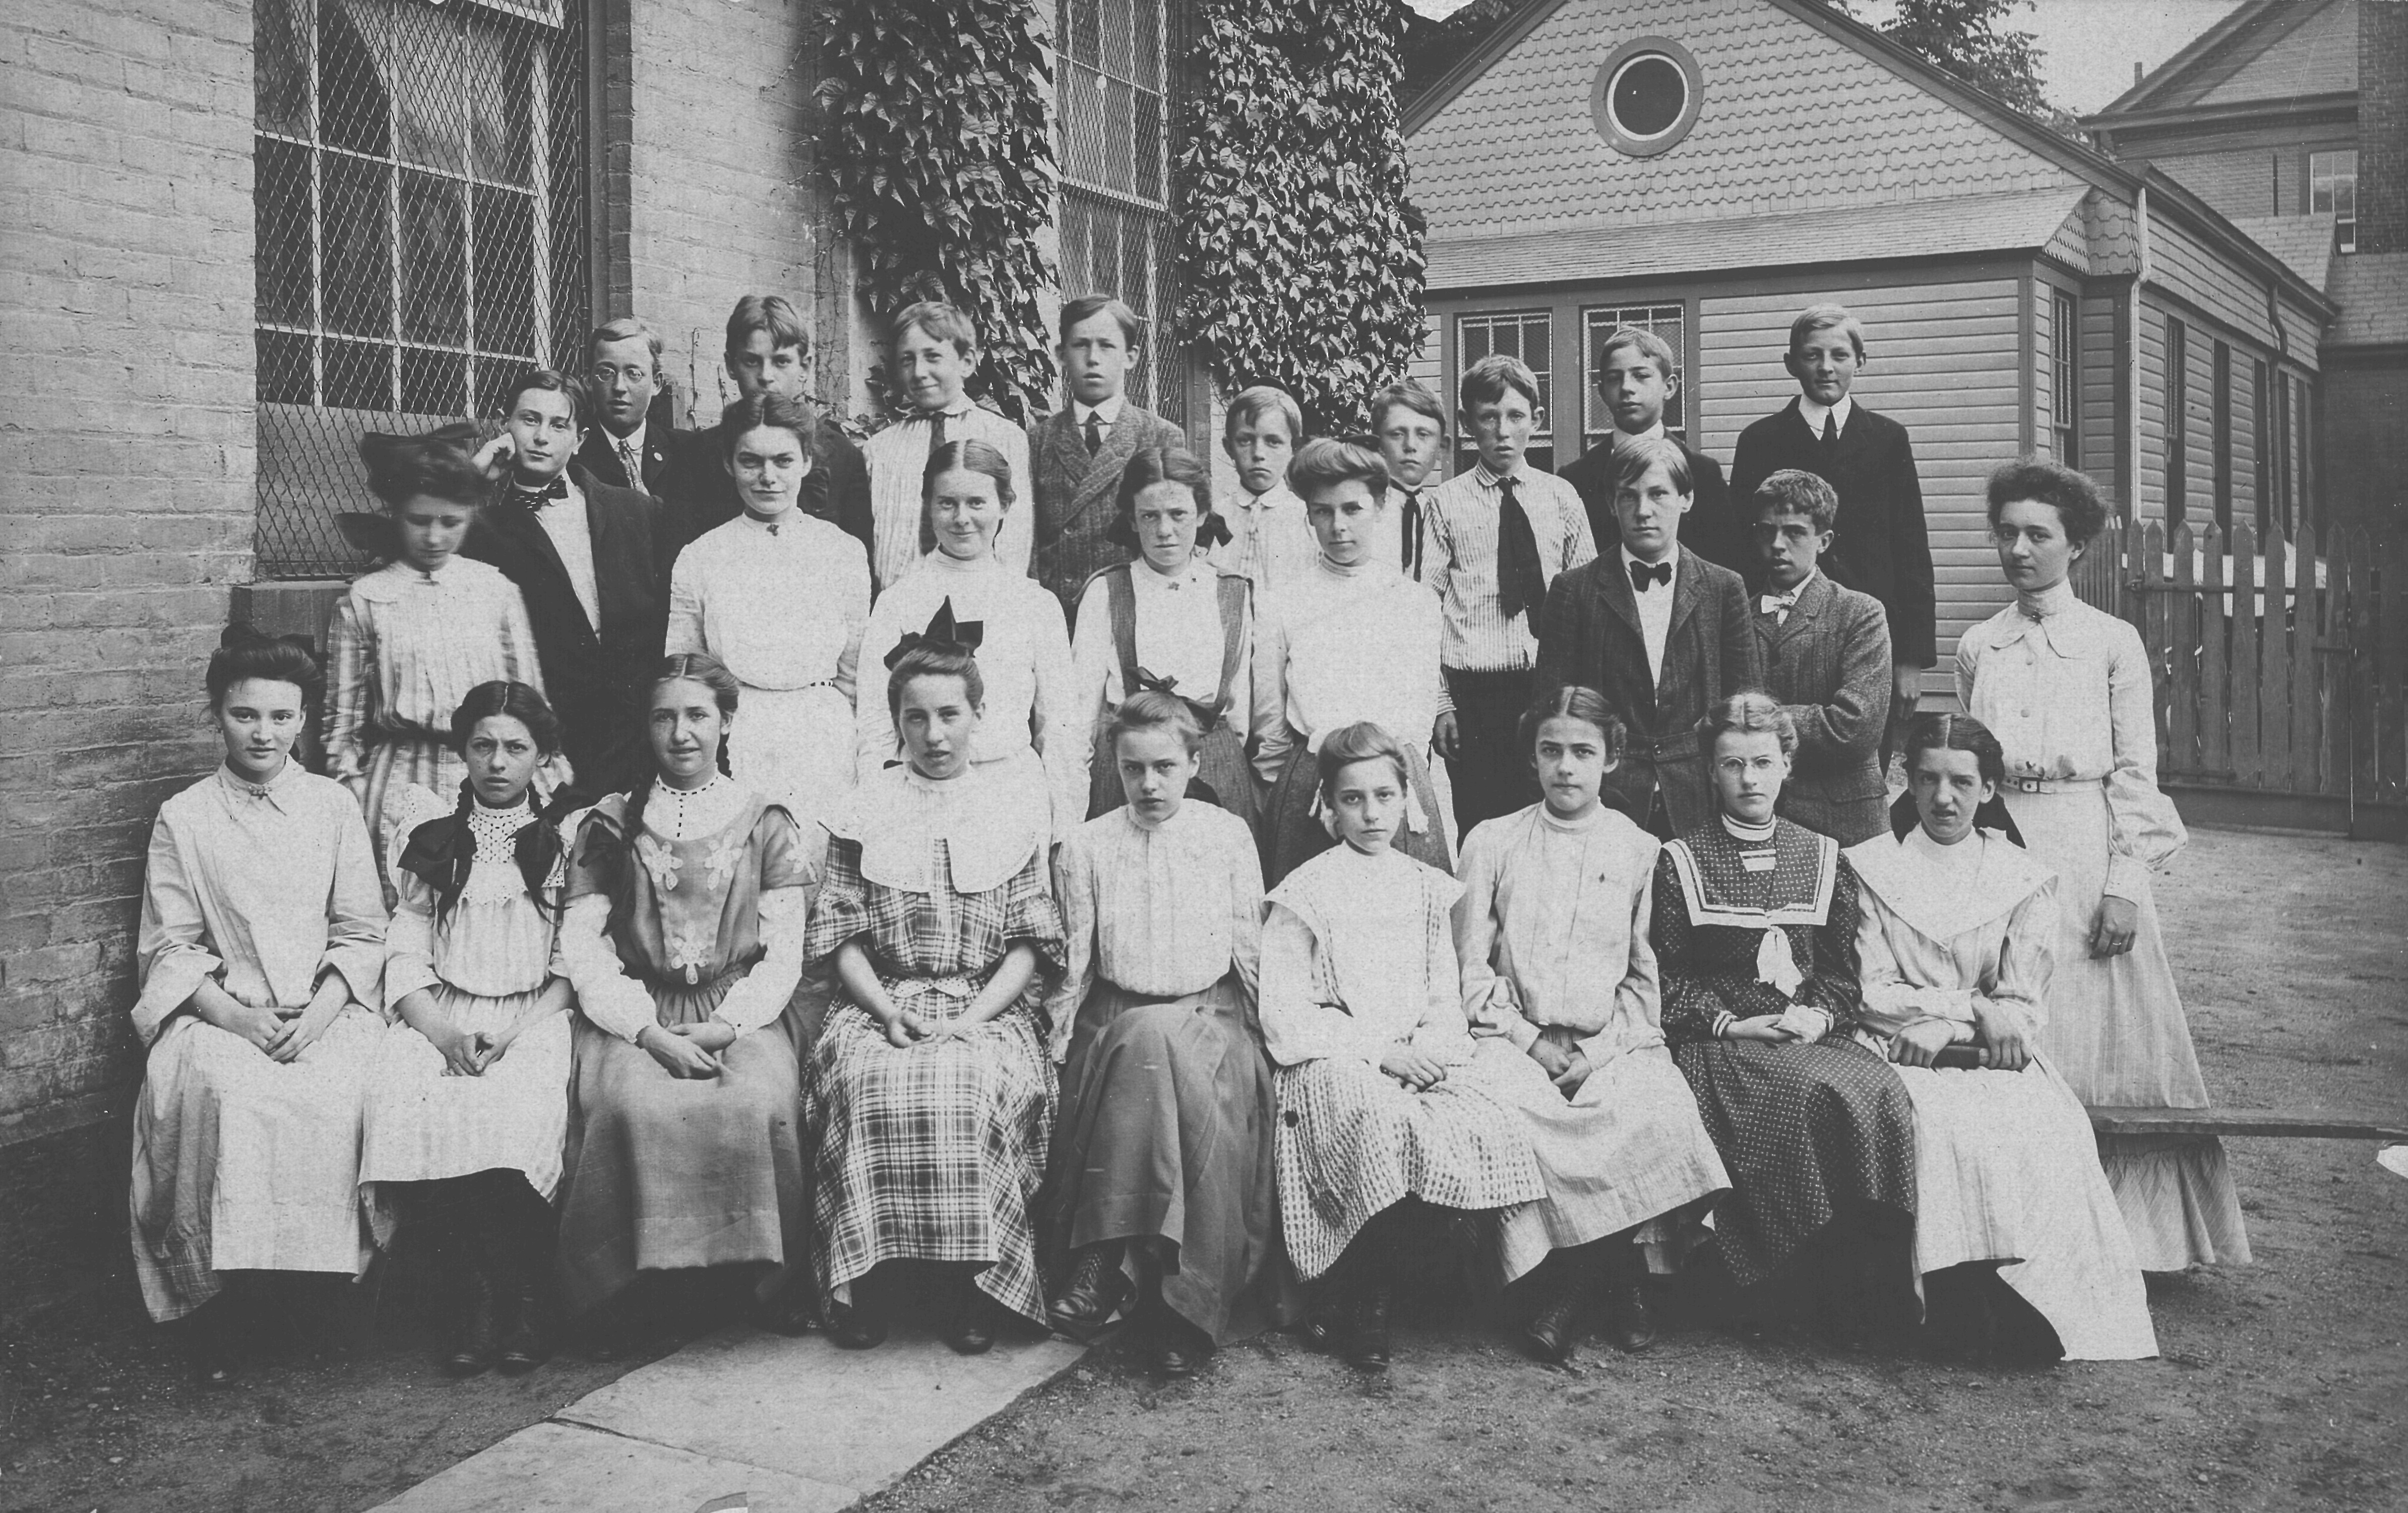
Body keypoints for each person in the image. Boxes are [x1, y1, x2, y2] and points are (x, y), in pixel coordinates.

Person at [1957, 458, 2250, 1272]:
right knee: (2012, 1018)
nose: (2019, 550)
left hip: (2086, 847)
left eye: (2038, 535)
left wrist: (2123, 886)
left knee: (2100, 1039)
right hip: (2004, 847)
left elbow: (2134, 773)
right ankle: (2015, 1232)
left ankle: (2128, 1239)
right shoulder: (1980, 644)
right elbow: (1971, 768)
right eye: (2007, 533)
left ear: (2076, 545)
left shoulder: (2110, 641)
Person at [1846, 712, 2159, 1361]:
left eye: (1962, 782)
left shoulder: (2022, 877)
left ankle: (2027, 1291)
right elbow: (1871, 990)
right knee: (1938, 1123)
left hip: (1995, 1054)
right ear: (1908, 781)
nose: (1943, 798)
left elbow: (2022, 1005)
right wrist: (1966, 1005)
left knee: (2045, 1124)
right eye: (1928, 779)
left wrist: (1961, 1022)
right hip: (1897, 1047)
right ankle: (1949, 1293)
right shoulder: (1872, 869)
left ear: (1989, 788)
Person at [130, 631, 387, 1383]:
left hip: (323, 1007)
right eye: (245, 714)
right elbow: (170, 944)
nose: (263, 733)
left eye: (281, 716)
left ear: (303, 719)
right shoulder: (186, 815)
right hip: (224, 1011)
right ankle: (233, 1304)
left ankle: (320, 1298)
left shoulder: (331, 805)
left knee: (339, 1091)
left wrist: (322, 1012)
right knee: (229, 1095)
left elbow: (362, 929)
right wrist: (235, 1016)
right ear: (218, 715)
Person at [1259, 722, 1555, 1371]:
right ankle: (1368, 1295)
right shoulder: (1306, 892)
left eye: (1384, 796)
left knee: (1492, 1113)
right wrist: (1378, 1052)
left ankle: (1503, 1284)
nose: (1371, 814)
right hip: (1333, 1059)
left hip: (1420, 1056)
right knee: (1380, 1117)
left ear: (1405, 800)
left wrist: (1428, 1049)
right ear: (1330, 806)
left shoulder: (1424, 886)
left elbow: (1443, 995)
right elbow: (1283, 1015)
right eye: (1353, 799)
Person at [804, 638, 1065, 1354]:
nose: (934, 734)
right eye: (916, 718)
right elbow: (842, 933)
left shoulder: (1011, 806)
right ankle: (865, 1280)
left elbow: (1028, 941)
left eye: (950, 714)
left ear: (978, 714)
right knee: (867, 1081)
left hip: (985, 1002)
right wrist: (888, 1011)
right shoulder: (865, 808)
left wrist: (969, 1020)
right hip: (882, 999)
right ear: (896, 722)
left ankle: (969, 1284)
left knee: (970, 1082)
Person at [1453, 686, 1730, 1361]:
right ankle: (1601, 1277)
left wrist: (1598, 1052)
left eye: (1583, 752)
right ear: (1532, 758)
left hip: (1610, 1042)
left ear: (1611, 758)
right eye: (1551, 750)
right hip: (1513, 1038)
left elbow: (1643, 977)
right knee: (1504, 1111)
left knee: (1657, 1106)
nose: (1566, 767)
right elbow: (1467, 965)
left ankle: (1584, 1284)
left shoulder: (1640, 850)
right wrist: (1528, 1040)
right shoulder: (1493, 840)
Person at [553, 654, 817, 1352]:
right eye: (664, 716)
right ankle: (637, 1289)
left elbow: (784, 950)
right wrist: (646, 1031)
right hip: (637, 1011)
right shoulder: (610, 821)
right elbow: (585, 949)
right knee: (631, 1104)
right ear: (646, 726)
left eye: (698, 714)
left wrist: (729, 1023)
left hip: (740, 1007)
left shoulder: (764, 819)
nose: (681, 733)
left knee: (757, 1100)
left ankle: (754, 1281)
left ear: (726, 721)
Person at [1651, 693, 1918, 1336]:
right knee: (1800, 1091)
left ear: (1787, 767)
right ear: (1711, 771)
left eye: (1762, 763)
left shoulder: (1823, 855)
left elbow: (1839, 975)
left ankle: (1864, 1285)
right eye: (1733, 764)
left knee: (1878, 1089)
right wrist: (1734, 1023)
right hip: (1719, 1040)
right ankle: (1777, 1287)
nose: (1749, 779)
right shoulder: (1681, 859)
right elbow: (1669, 979)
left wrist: (1818, 1017)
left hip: (1808, 1032)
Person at [1041, 692, 1286, 1378]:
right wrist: (1055, 1047)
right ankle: (1178, 1303)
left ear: (1194, 763)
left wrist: (1274, 1041)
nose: (1148, 784)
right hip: (1114, 1023)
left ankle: (1106, 1258)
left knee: (1157, 1046)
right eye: (1132, 769)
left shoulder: (1226, 835)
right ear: (1115, 769)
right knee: (1145, 1039)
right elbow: (1077, 961)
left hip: (1211, 1019)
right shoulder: (1088, 845)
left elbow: (1248, 948)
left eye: (1164, 767)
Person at [360, 682, 577, 1378]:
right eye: (483, 745)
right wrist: (441, 1030)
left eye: (516, 747)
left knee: (514, 1106)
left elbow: (572, 963)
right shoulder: (434, 835)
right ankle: (470, 1294)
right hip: (445, 1010)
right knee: (407, 1087)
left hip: (534, 1013)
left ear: (542, 756)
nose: (498, 762)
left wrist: (516, 1032)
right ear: (463, 751)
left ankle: (523, 1292)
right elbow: (406, 943)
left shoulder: (565, 840)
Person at [328, 425, 545, 880]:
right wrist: (350, 788)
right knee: (406, 905)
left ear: (470, 516)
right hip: (398, 787)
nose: (433, 537)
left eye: (450, 523)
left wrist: (543, 781)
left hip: (491, 780)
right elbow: (343, 724)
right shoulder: (367, 599)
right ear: (397, 515)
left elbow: (530, 701)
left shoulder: (495, 591)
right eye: (419, 520)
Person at [1730, 305, 1935, 765]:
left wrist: (1910, 658)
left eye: (1839, 355)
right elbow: (1741, 548)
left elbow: (1910, 547)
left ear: (1860, 361)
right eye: (1812, 355)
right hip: (1781, 636)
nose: (1826, 367)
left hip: (1867, 636)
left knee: (1860, 758)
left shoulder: (1887, 439)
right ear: (1791, 363)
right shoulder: (1760, 440)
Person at [855, 440, 1083, 845]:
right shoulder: (898, 601)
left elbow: (1060, 728)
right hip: (918, 799)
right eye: (947, 503)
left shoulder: (1034, 603)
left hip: (1010, 795)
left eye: (977, 503)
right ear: (928, 506)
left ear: (1005, 505)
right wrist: (878, 811)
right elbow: (875, 724)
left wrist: (1063, 832)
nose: (962, 519)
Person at [1532, 435, 1759, 839]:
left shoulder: (1723, 588)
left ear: (1686, 499)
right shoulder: (1574, 590)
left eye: (1658, 494)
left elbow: (1744, 703)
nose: (1643, 511)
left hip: (1698, 794)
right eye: (1628, 496)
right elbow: (1552, 705)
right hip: (1606, 794)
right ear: (1610, 504)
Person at [665, 392, 872, 835]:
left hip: (824, 736)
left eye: (783, 461)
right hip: (737, 734)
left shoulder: (842, 551)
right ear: (729, 464)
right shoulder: (700, 556)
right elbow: (686, 672)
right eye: (750, 462)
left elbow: (855, 671)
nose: (767, 477)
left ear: (806, 461)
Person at [462, 367, 670, 805]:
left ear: (579, 439)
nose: (542, 437)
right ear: (505, 426)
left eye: (559, 425)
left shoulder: (636, 511)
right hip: (551, 734)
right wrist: (472, 482)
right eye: (529, 420)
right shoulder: (483, 531)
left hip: (635, 731)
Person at [1252, 438, 1450, 883]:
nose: (1338, 526)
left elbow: (1418, 715)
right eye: (1323, 511)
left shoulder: (1414, 601)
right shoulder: (1282, 602)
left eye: (1352, 509)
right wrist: (1286, 787)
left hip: (1393, 781)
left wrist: (1397, 782)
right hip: (1311, 781)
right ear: (1308, 516)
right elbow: (1270, 716)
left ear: (1380, 506)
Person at [1423, 354, 1597, 833]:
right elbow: (1424, 612)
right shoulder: (1445, 503)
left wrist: (1579, 692)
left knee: (1552, 820)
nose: (1502, 431)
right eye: (1488, 417)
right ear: (1466, 424)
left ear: (1536, 420)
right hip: (1474, 694)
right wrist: (1441, 703)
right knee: (1482, 825)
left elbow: (1588, 602)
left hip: (1547, 687)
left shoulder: (1560, 497)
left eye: (1515, 416)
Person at [1068, 447, 1253, 824]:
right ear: (1133, 521)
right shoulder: (1108, 591)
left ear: (1201, 514)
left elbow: (1241, 710)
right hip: (1132, 767)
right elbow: (1081, 711)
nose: (1164, 530)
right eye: (1150, 516)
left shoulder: (1232, 591)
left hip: (1214, 763)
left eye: (1178, 514)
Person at [652, 294, 874, 553]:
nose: (766, 377)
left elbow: (857, 556)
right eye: (752, 361)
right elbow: (678, 559)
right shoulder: (697, 455)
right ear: (731, 365)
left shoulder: (842, 456)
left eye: (781, 362)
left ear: (804, 367)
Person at [1749, 469, 1893, 845]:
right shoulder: (1737, 615)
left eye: (1794, 533)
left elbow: (1855, 729)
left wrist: (1756, 723)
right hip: (1760, 820)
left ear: (1823, 541)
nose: (1777, 545)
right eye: (1767, 531)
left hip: (1846, 822)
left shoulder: (1860, 613)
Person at [861, 299, 1035, 590]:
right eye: (907, 360)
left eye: (933, 357)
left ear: (966, 362)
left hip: (981, 600)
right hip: (899, 603)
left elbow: (1016, 538)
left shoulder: (1004, 437)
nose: (919, 372)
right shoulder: (880, 449)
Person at [1029, 295, 1189, 608]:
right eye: (1080, 345)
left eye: (1106, 346)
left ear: (1131, 357)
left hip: (1133, 607)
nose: (1093, 358)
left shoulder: (1161, 436)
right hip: (1058, 610)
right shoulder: (1038, 440)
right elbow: (1028, 540)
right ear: (1061, 355)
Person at [1559, 326, 1748, 577]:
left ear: (1669, 387)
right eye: (1614, 378)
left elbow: (1726, 564)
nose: (1626, 387)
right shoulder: (1575, 479)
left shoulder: (1702, 473)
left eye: (1641, 376)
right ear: (1602, 392)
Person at [1207, 386, 1319, 597]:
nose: (1258, 453)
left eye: (1273, 442)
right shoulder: (1215, 518)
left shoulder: (1307, 519)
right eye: (1245, 441)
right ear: (1229, 447)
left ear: (1294, 447)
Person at [577, 316, 681, 497]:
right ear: (588, 381)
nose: (619, 387)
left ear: (657, 383)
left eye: (634, 374)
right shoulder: (572, 452)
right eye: (606, 373)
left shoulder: (686, 451)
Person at [1370, 379, 1446, 580]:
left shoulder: (1441, 514)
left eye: (1423, 434)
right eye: (1397, 434)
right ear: (1378, 444)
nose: (1410, 445)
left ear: (1441, 448)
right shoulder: (1362, 510)